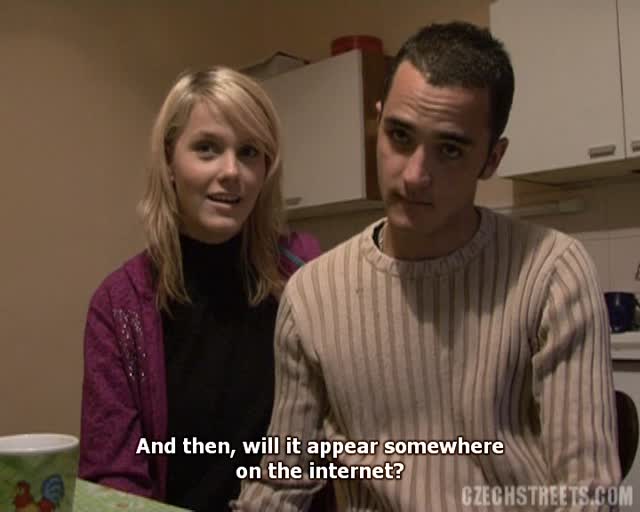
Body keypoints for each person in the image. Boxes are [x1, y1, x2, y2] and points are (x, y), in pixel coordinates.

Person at [233, 22, 620, 511]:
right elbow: (282, 481)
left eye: (450, 150)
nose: (415, 175)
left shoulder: (552, 273)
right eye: (400, 136)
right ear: (377, 124)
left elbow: (587, 492)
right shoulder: (312, 294)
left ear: (492, 159)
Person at [78, 67, 322, 511]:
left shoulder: (306, 273)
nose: (231, 172)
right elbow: (114, 477)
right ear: (169, 161)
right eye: (207, 148)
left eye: (249, 152)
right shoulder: (118, 305)